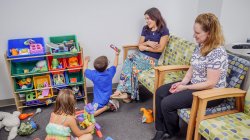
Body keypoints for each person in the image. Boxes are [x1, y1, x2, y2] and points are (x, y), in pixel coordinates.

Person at [152, 13, 228, 140]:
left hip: (210, 92)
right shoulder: (200, 46)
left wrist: (186, 88)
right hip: (195, 84)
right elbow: (192, 68)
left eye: (197, 33)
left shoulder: (217, 53)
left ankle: (173, 134)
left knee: (167, 103)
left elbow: (210, 83)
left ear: (209, 33)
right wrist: (183, 82)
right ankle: (161, 130)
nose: (194, 35)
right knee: (160, 92)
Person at [111, 7, 170, 102]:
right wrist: (148, 43)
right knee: (132, 64)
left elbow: (160, 49)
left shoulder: (164, 30)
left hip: (152, 60)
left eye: (148, 18)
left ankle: (123, 92)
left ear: (155, 17)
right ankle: (127, 94)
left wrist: (144, 46)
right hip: (140, 56)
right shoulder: (145, 29)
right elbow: (140, 45)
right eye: (145, 19)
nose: (146, 21)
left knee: (129, 59)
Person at [84, 50, 120, 116]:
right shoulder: (109, 73)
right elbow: (115, 65)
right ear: (106, 66)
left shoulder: (93, 74)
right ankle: (110, 103)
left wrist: (86, 60)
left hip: (99, 102)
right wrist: (117, 55)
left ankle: (107, 107)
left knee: (90, 113)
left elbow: (85, 70)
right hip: (108, 98)